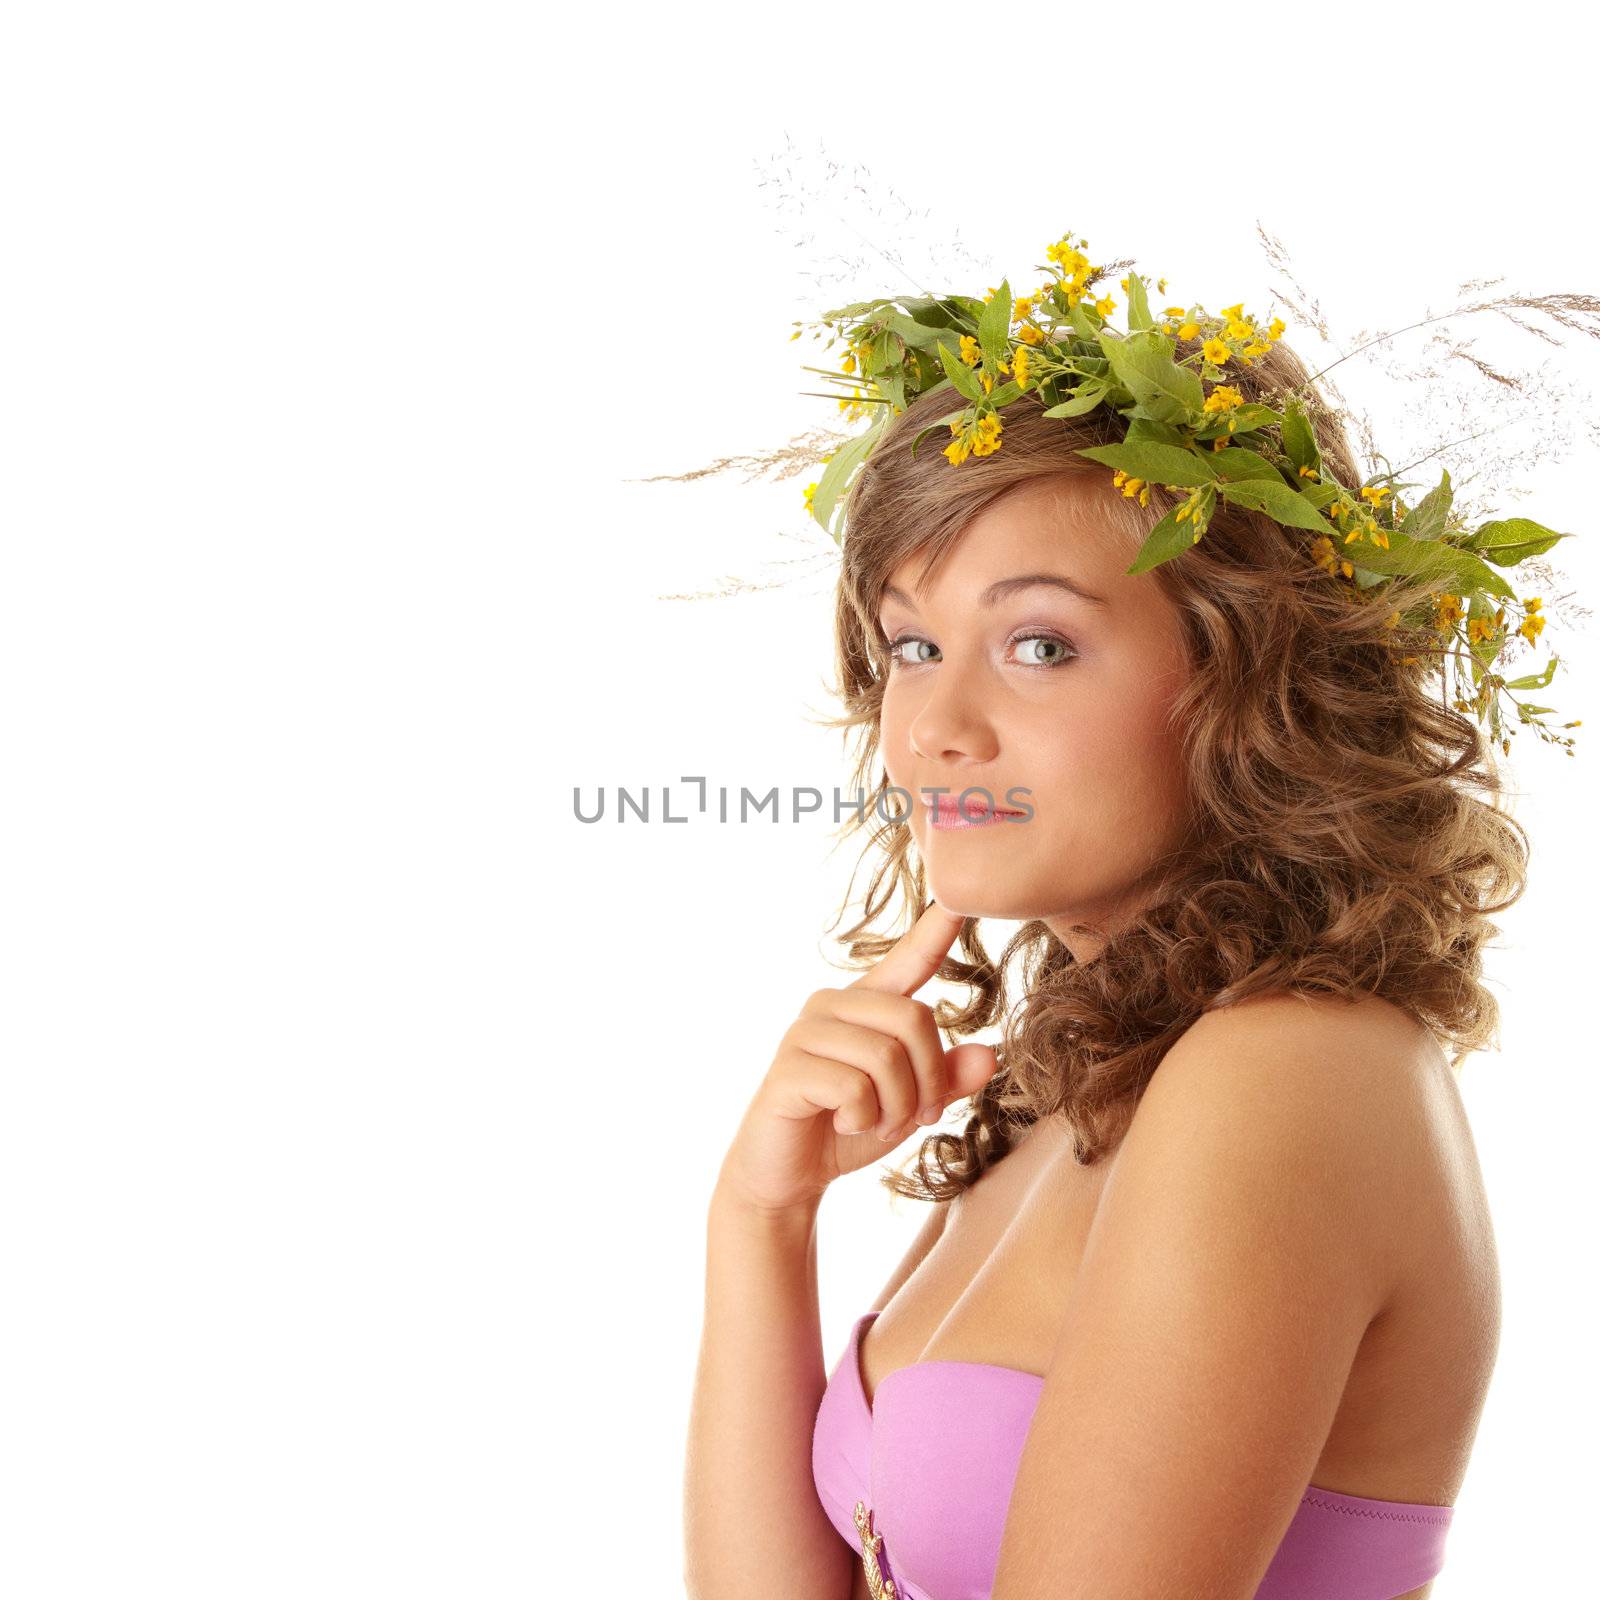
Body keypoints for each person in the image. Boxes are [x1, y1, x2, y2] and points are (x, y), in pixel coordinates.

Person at [683, 291, 1524, 1600]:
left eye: (1038, 644)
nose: (931, 731)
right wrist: (761, 1216)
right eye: (912, 643)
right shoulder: (1071, 1070)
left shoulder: (1286, 1073)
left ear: (1248, 679)